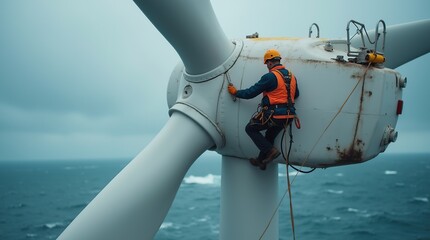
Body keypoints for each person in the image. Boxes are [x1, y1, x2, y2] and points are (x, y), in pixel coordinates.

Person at [228, 49, 299, 170]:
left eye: (267, 64)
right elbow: (296, 94)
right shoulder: (292, 76)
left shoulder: (270, 76)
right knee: (270, 135)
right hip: (289, 116)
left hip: (274, 115)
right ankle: (261, 160)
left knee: (250, 128)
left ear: (270, 62)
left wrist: (236, 92)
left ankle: (271, 151)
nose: (267, 66)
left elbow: (252, 92)